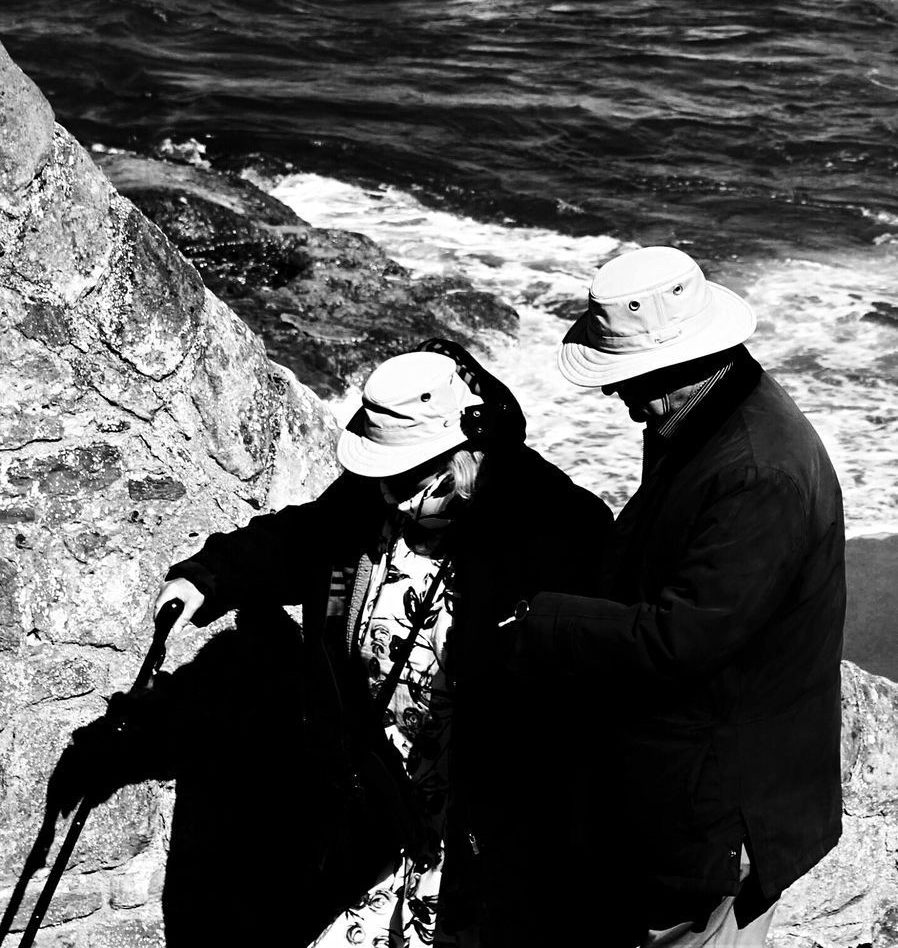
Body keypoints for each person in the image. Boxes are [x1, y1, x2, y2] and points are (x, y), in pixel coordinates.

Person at [154, 339, 611, 948]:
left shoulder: (555, 526)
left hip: (472, 806)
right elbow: (302, 539)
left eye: (404, 477)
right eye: (380, 476)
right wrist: (207, 577)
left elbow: (591, 677)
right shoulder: (373, 491)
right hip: (375, 786)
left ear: (462, 448)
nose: (386, 492)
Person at [512, 246, 846, 947]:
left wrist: (543, 621)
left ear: (675, 366)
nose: (615, 394)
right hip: (699, 794)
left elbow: (682, 637)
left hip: (724, 813)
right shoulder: (701, 419)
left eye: (626, 377)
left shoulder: (758, 471)